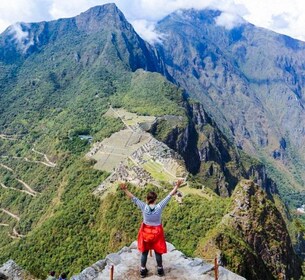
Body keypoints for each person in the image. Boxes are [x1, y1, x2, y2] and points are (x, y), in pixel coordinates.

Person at [120, 179, 183, 278]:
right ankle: (160, 269)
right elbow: (169, 196)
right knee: (158, 252)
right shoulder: (159, 207)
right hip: (157, 233)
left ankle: (143, 270)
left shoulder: (144, 207)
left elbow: (133, 198)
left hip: (145, 232)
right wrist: (177, 186)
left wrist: (125, 190)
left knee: (144, 252)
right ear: (155, 199)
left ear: (147, 199)